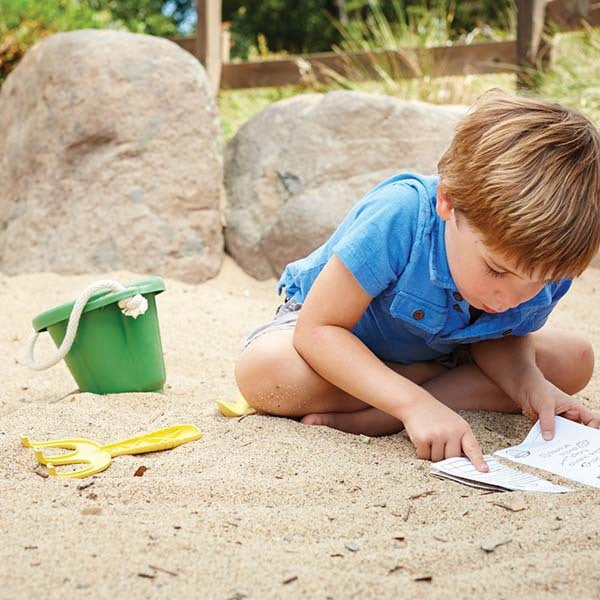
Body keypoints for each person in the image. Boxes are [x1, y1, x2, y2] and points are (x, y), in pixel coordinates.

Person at [234, 89, 600, 472]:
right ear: (448, 201)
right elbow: (318, 330)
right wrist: (413, 404)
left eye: (538, 282)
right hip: (334, 337)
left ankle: (390, 408)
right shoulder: (400, 214)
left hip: (443, 350)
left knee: (575, 360)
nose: (510, 296)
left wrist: (530, 386)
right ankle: (413, 398)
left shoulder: (552, 258)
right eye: (496, 269)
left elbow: (498, 335)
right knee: (265, 372)